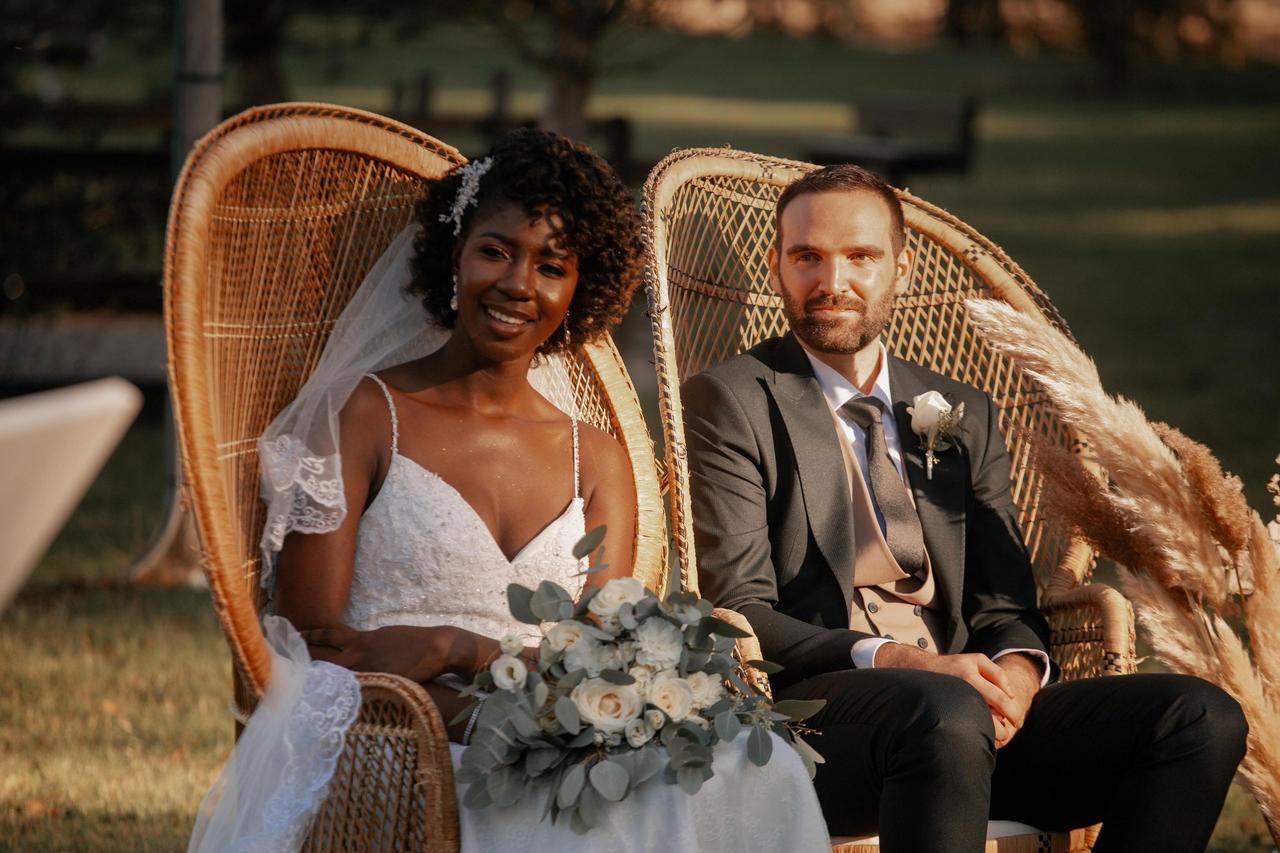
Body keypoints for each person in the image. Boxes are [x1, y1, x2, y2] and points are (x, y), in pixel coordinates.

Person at [190, 129, 829, 853]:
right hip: (400, 739)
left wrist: (453, 645)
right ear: (453, 255)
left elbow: (604, 662)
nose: (519, 284)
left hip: (562, 733)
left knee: (760, 763)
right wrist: (495, 709)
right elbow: (314, 649)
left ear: (578, 288)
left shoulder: (600, 458)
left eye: (551, 265)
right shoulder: (365, 416)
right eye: (496, 251)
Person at [682, 163, 1248, 852]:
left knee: (1198, 716)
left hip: (970, 715)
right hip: (821, 724)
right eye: (808, 257)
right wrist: (901, 660)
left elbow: (1002, 600)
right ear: (777, 268)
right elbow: (743, 605)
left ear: (902, 268)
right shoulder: (734, 399)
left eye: (861, 256)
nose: (833, 283)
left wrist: (1014, 671)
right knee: (944, 709)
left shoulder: (955, 410)